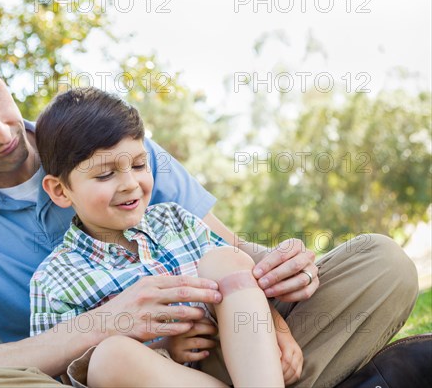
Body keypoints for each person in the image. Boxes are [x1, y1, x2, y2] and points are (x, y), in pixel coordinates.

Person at [0, 29, 418, 387]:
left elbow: (223, 254)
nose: (3, 131)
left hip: (219, 348)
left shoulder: (112, 145)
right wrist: (112, 323)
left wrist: (275, 290)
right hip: (110, 377)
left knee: (380, 263)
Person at [30, 87, 292, 387]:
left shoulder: (174, 220)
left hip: (243, 362)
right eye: (105, 174)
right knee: (110, 356)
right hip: (161, 379)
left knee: (227, 259)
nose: (130, 183)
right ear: (60, 191)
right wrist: (164, 350)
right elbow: (61, 376)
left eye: (140, 165)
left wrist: (278, 328)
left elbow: (243, 288)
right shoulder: (54, 280)